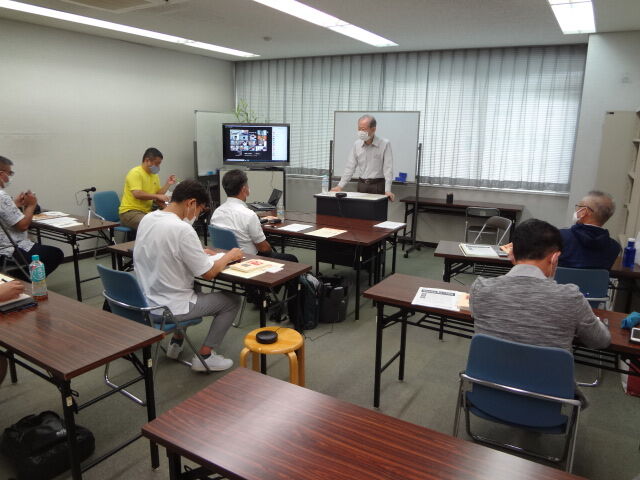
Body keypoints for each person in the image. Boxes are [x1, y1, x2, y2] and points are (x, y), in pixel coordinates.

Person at [469, 219, 611, 406]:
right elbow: (600, 341)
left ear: (511, 254)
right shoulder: (570, 298)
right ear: (555, 258)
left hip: (488, 396)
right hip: (548, 404)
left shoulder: (480, 288)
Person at [134, 179, 242, 372]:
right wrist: (229, 256)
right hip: (169, 307)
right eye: (199, 209)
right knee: (232, 301)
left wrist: (196, 251)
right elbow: (208, 273)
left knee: (193, 285)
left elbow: (164, 248)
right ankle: (205, 356)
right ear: (191, 203)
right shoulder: (182, 229)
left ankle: (176, 342)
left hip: (147, 300)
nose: (197, 215)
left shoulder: (148, 218)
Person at [211, 169, 297, 263]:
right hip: (248, 260)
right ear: (244, 189)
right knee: (292, 258)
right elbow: (264, 249)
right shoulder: (249, 215)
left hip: (224, 258)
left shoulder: (217, 212)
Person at [0, 156, 64, 278]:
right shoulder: (1, 196)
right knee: (55, 254)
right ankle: (29, 282)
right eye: (10, 173)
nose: (10, 177)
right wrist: (31, 205)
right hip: (9, 250)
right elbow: (23, 226)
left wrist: (14, 204)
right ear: (2, 174)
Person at [331, 114, 395, 200]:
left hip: (378, 185)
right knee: (360, 208)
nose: (361, 132)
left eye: (363, 129)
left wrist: (387, 190)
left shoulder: (384, 144)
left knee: (377, 208)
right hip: (362, 184)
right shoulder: (357, 144)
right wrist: (340, 186)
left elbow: (388, 169)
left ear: (373, 129)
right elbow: (350, 167)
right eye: (359, 129)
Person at [559, 191, 621, 269]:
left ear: (584, 212)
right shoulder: (614, 247)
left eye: (578, 206)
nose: (576, 209)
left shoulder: (559, 237)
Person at [118, 147, 177, 230]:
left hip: (146, 212)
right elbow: (137, 194)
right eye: (157, 164)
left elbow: (158, 194)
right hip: (129, 212)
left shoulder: (154, 175)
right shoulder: (135, 173)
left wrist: (168, 184)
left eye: (159, 164)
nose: (158, 166)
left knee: (167, 220)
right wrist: (157, 196)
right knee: (155, 225)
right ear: (147, 160)